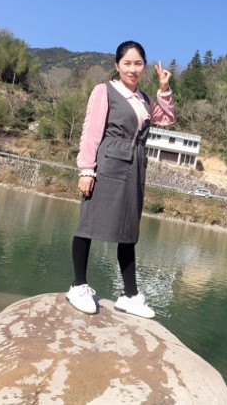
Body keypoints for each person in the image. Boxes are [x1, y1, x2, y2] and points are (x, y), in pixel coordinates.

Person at [65, 41, 175, 318]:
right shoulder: (105, 91)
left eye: (138, 64)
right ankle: (78, 285)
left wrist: (163, 89)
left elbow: (166, 119)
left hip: (135, 165)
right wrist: (86, 170)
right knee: (89, 223)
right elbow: (91, 132)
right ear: (117, 65)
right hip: (108, 163)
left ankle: (129, 295)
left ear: (144, 67)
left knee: (128, 231)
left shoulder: (144, 99)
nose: (132, 69)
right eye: (127, 63)